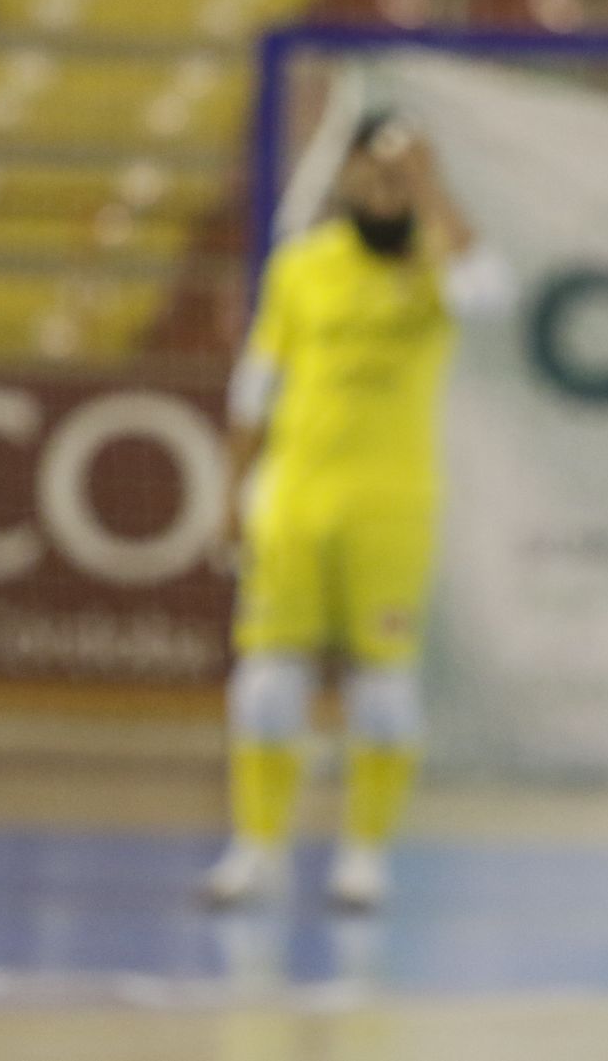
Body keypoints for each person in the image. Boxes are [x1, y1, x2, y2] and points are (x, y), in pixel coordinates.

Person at [203, 114, 475, 910]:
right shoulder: (301, 266)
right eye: (375, 172)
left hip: (392, 507)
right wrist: (232, 491)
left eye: (401, 176)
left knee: (384, 686)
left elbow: (487, 290)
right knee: (265, 684)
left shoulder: (436, 265)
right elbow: (257, 381)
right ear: (348, 175)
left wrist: (428, 185)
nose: (385, 188)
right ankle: (253, 851)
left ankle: (364, 858)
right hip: (293, 500)